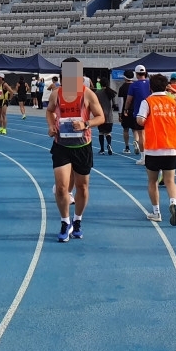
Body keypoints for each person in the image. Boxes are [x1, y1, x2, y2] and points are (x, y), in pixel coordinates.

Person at [47, 57, 104, 242]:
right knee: (62, 187)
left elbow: (101, 117)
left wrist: (86, 123)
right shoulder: (56, 94)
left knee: (82, 186)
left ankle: (77, 220)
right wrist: (51, 126)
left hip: (82, 147)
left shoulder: (87, 94)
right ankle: (65, 222)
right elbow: (49, 111)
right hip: (61, 146)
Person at [137, 73, 176, 225]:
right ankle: (173, 202)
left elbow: (140, 120)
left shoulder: (148, 101)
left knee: (152, 181)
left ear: (150, 87)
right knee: (170, 181)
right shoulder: (173, 102)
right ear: (166, 86)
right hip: (171, 147)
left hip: (153, 148)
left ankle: (156, 212)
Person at [124, 65, 151, 163]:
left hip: (139, 113)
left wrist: (126, 109)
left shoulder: (133, 85)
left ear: (136, 74)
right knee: (150, 135)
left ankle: (143, 157)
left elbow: (128, 100)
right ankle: (150, 155)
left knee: (141, 135)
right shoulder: (150, 84)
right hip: (150, 113)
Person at [117, 70, 136, 153]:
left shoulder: (122, 88)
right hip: (135, 110)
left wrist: (120, 114)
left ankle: (127, 147)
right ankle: (137, 144)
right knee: (135, 129)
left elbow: (120, 102)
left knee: (125, 129)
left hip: (126, 111)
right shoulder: (136, 86)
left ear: (124, 77)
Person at [96, 83, 117, 154]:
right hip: (109, 116)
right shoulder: (111, 92)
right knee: (108, 132)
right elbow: (114, 104)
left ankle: (102, 149)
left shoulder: (98, 93)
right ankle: (109, 144)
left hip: (100, 115)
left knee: (101, 132)